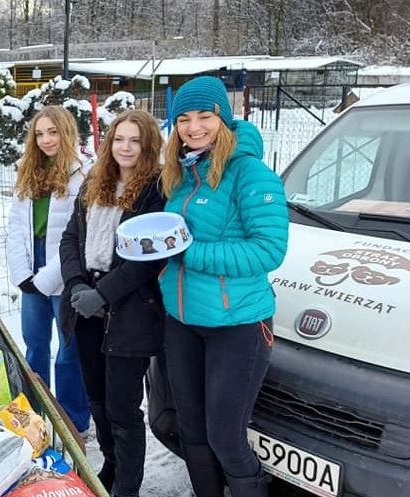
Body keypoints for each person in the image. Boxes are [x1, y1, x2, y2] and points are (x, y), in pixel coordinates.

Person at [159, 76, 288, 497]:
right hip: (182, 320)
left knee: (225, 438)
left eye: (205, 117)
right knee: (192, 433)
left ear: (224, 119)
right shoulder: (182, 170)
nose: (193, 127)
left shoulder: (250, 172)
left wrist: (189, 253)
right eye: (183, 119)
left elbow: (268, 250)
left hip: (237, 325)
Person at [59, 110, 166, 497]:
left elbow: (149, 257)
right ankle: (111, 465)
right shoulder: (94, 183)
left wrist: (104, 294)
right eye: (119, 139)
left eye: (135, 140)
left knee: (122, 408)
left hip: (130, 312)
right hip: (85, 304)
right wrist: (75, 284)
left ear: (148, 145)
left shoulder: (156, 189)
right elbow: (71, 238)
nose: (125, 147)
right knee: (97, 401)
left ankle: (128, 488)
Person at [7, 105, 92, 437]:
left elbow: (79, 235)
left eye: (52, 132)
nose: (45, 140)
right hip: (32, 264)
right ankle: (35, 415)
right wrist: (22, 272)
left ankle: (74, 422)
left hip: (66, 267)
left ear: (67, 132)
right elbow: (15, 225)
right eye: (39, 133)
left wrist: (46, 278)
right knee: (35, 346)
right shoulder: (28, 171)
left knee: (69, 353)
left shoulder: (82, 175)